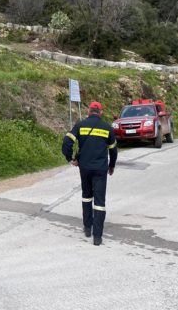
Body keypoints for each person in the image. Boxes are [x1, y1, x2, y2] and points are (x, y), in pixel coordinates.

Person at [62, 101, 118, 246]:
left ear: (88, 111)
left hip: (85, 168)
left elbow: (67, 142)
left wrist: (70, 158)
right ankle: (97, 237)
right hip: (100, 169)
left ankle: (87, 227)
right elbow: (113, 150)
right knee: (99, 202)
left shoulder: (80, 125)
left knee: (86, 197)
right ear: (101, 112)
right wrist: (111, 166)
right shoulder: (107, 128)